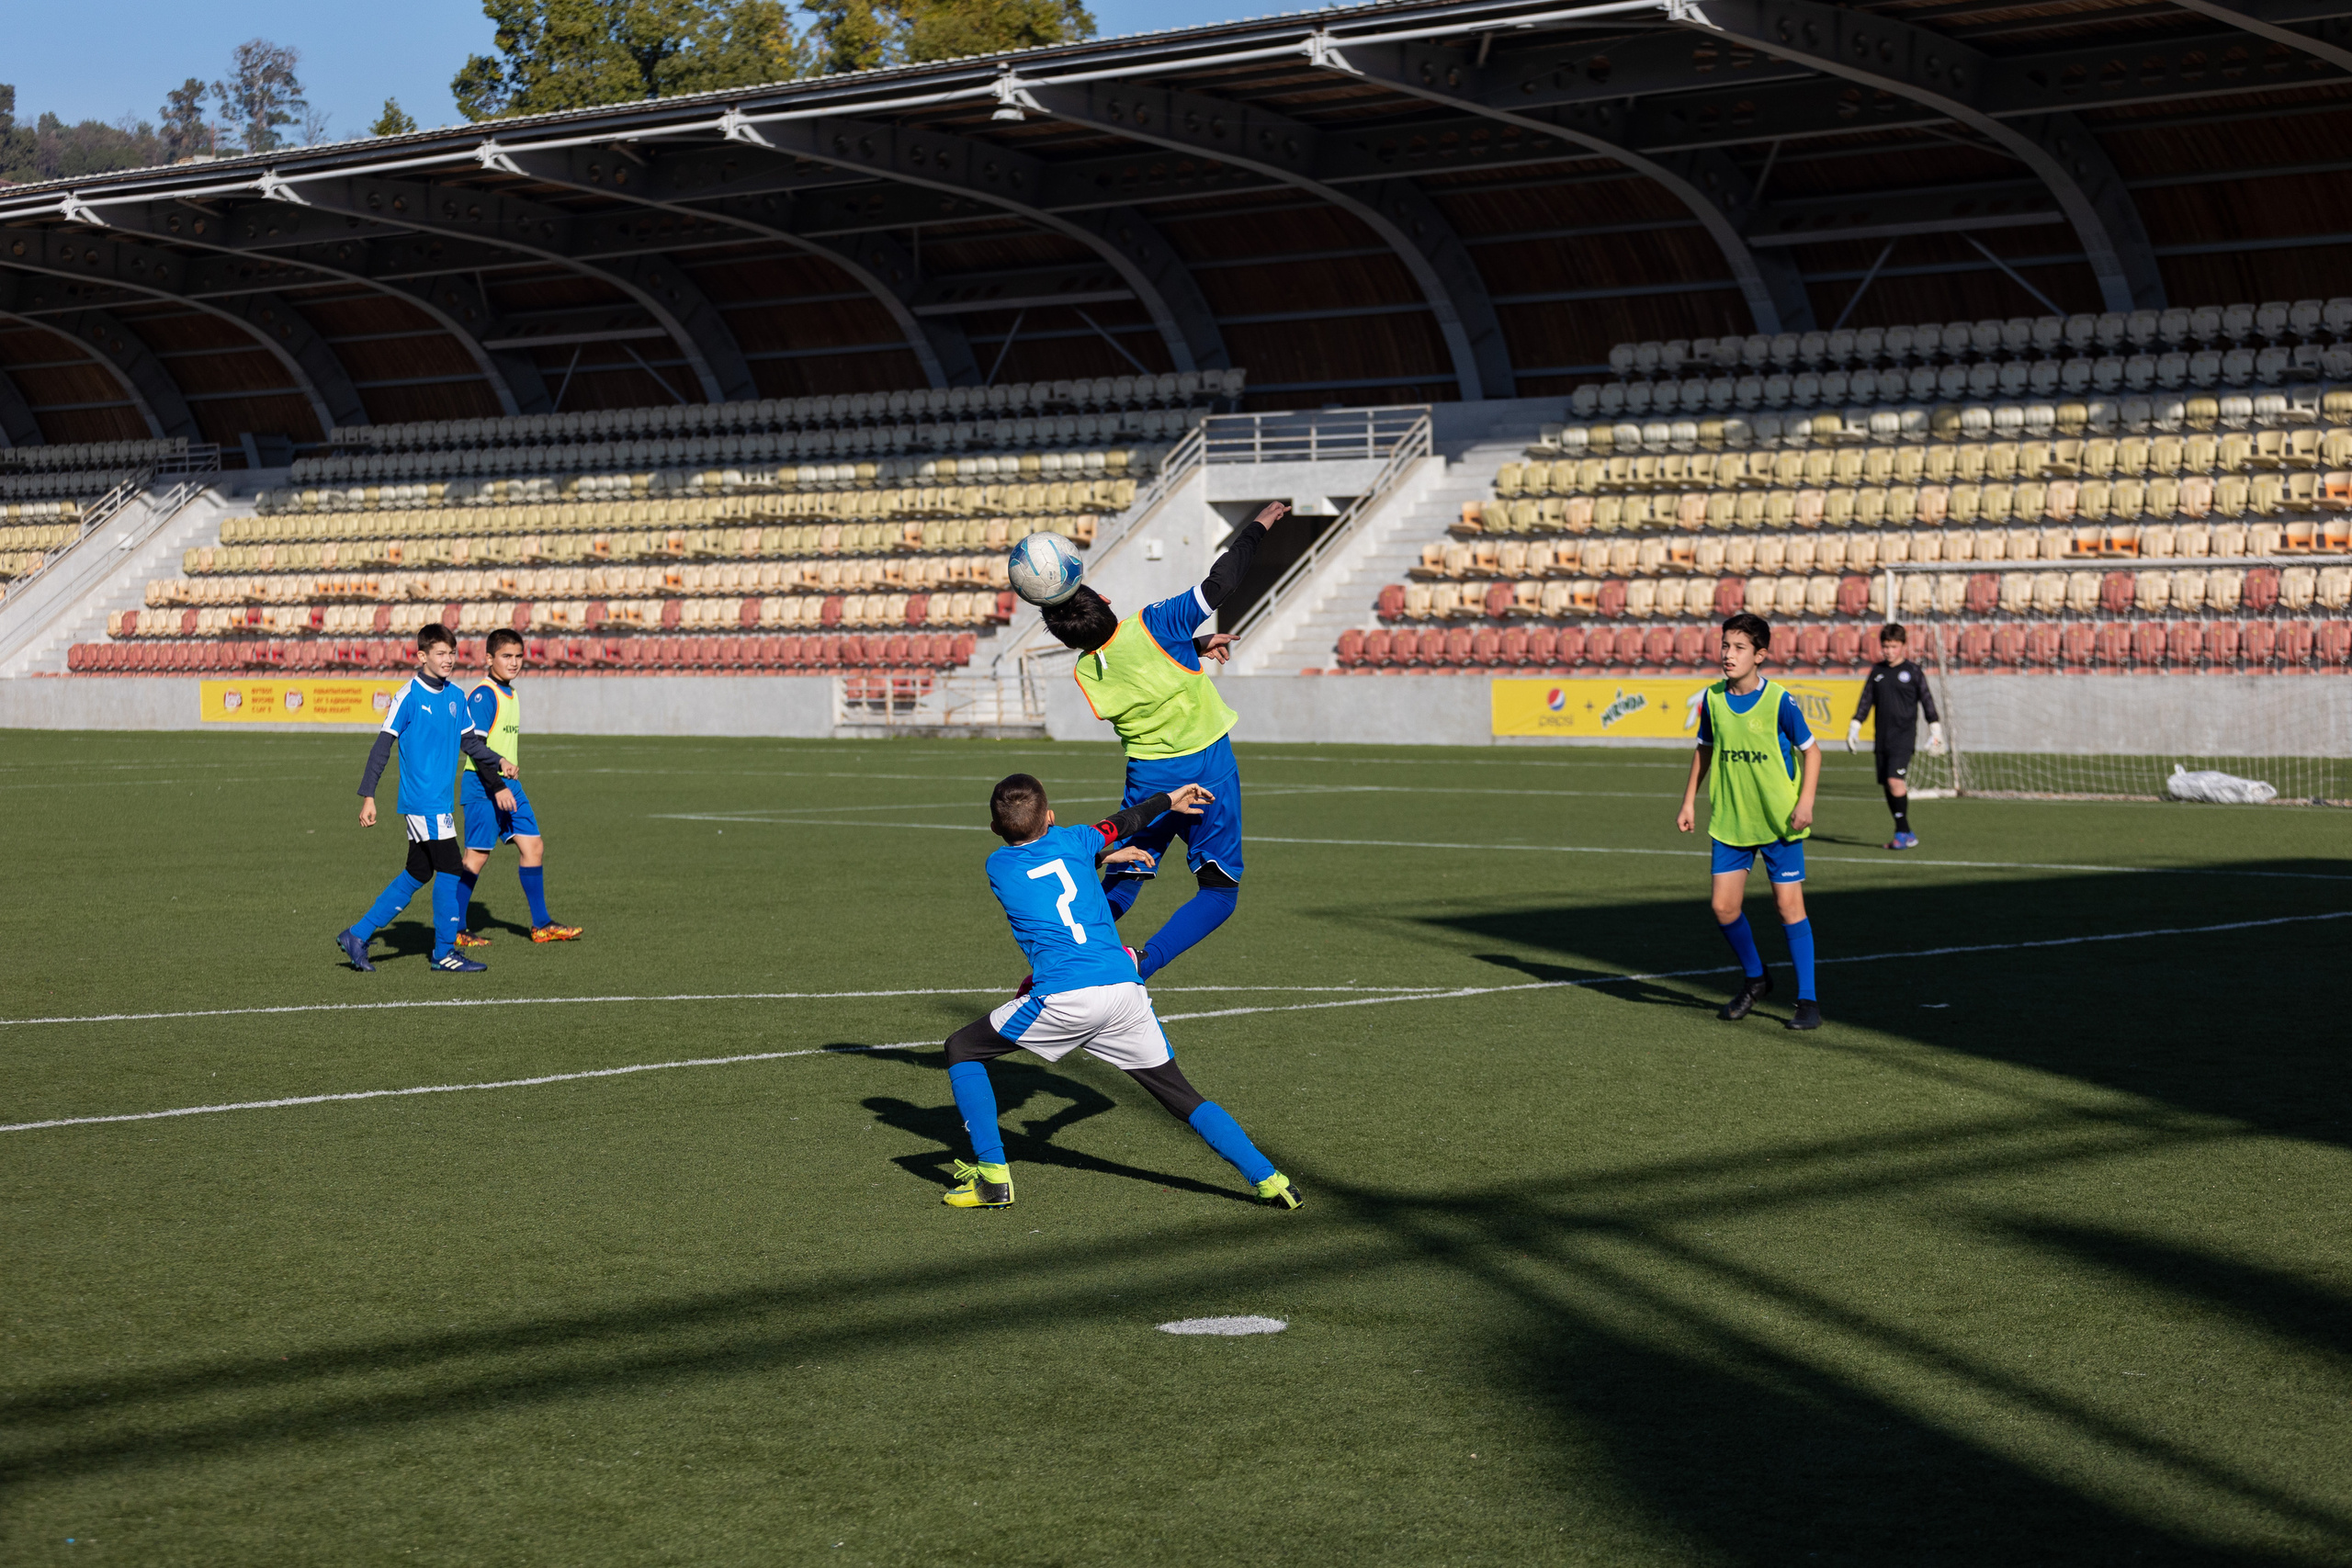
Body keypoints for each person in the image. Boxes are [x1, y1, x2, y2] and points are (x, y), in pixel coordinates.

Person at [935, 772, 1302, 1212]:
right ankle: (1270, 1179)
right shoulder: (1077, 839)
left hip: (1067, 999)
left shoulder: (997, 864)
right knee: (1182, 1097)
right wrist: (1169, 800)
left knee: (962, 1048)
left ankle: (993, 1181)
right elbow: (1122, 821)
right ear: (1050, 816)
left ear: (995, 829)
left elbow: (1046, 869)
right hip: (1125, 990)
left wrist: (1105, 855)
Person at [1035, 500, 1289, 983]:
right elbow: (1222, 583)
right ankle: (1142, 962)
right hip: (1206, 769)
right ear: (1106, 600)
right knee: (1218, 892)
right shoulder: (1156, 622)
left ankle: (1059, 961)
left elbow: (1134, 671)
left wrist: (1191, 649)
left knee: (1126, 875)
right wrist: (1258, 526)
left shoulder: (1087, 671)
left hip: (1148, 780)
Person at [1676, 612, 1825, 1031]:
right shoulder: (1714, 699)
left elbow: (1811, 751)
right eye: (1725, 645)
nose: (1728, 654)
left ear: (1759, 655)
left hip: (1780, 822)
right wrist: (1689, 801)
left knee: (1788, 907)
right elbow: (1704, 750)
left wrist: (1806, 801)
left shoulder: (1779, 700)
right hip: (1731, 820)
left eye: (1739, 648)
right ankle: (1757, 978)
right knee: (1723, 907)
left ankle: (1808, 1001)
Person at [336, 624, 514, 974]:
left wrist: (499, 761)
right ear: (422, 656)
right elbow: (382, 746)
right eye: (440, 654)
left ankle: (357, 935)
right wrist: (368, 795)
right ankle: (445, 952)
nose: (448, 660)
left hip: (439, 803)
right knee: (450, 868)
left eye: (452, 653)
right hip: (423, 802)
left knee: (418, 872)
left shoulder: (455, 696)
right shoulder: (408, 696)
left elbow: (472, 744)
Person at [453, 629, 582, 947]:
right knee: (475, 858)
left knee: (533, 847)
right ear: (489, 659)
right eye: (506, 656)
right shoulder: (483, 696)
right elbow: (473, 747)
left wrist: (505, 783)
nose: (514, 662)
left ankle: (541, 925)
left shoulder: (511, 692)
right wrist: (497, 786)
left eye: (518, 656)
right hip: (484, 785)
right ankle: (454, 927)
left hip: (508, 785)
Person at [1846, 623, 1945, 852]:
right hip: (1882, 738)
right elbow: (1866, 700)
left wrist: (1935, 729)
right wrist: (1855, 726)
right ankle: (1905, 831)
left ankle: (1902, 832)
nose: (1889, 650)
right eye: (1886, 646)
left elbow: (1926, 700)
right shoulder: (1877, 671)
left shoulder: (1912, 671)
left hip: (1904, 737)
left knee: (1894, 781)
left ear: (1903, 646)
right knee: (1887, 785)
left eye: (1893, 646)